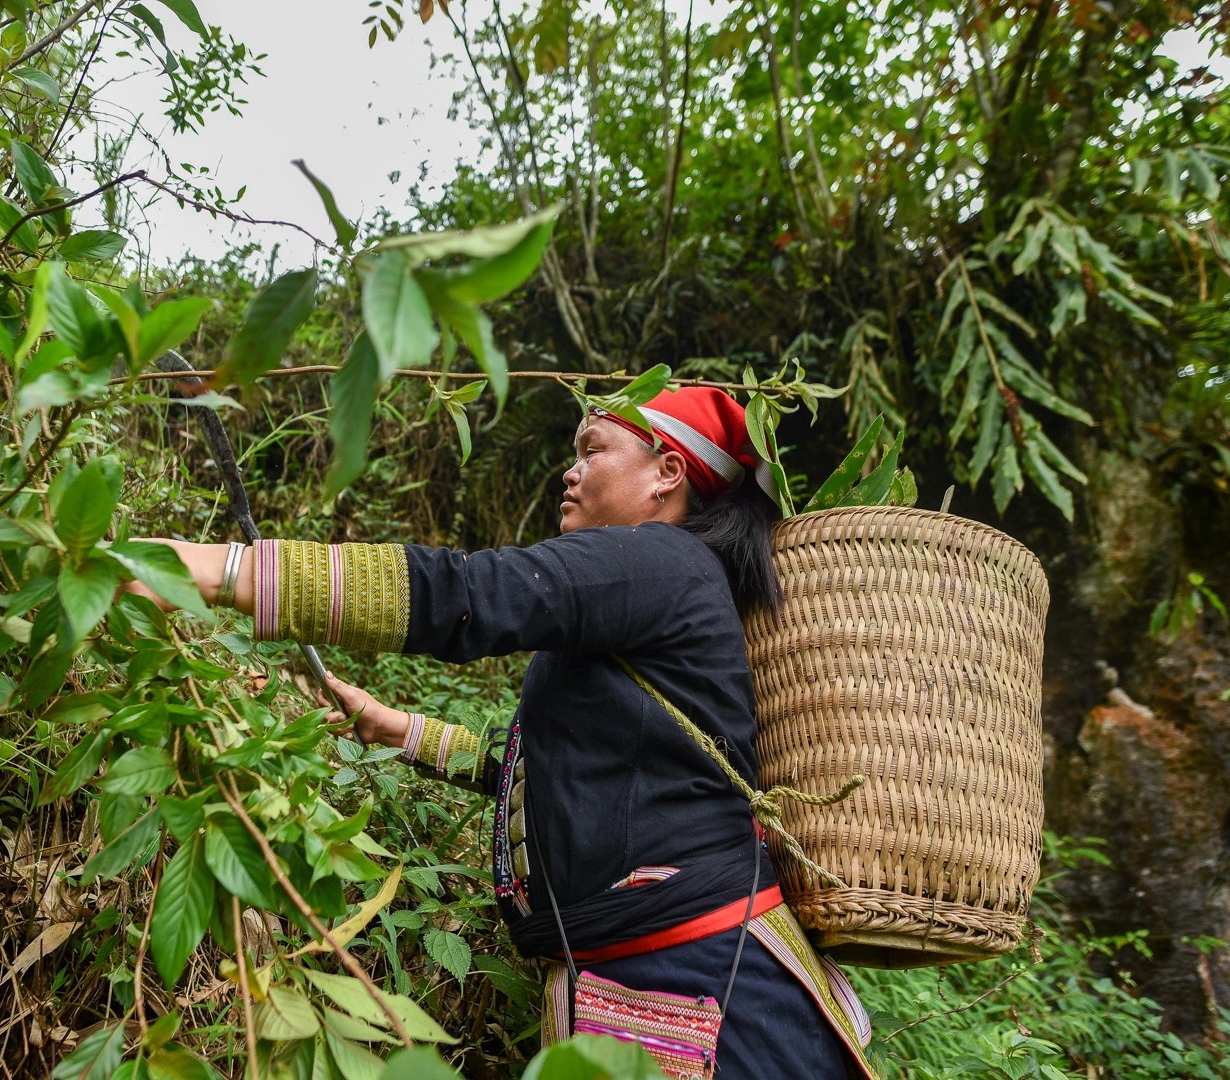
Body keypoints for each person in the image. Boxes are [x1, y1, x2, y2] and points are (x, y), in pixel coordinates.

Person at [128, 387, 876, 1080]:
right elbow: (571, 773)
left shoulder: (660, 560)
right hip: (672, 977)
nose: (571, 471)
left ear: (667, 473)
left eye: (593, 450)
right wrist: (402, 730)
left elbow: (465, 593)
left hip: (706, 983)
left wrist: (214, 570)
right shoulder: (648, 590)